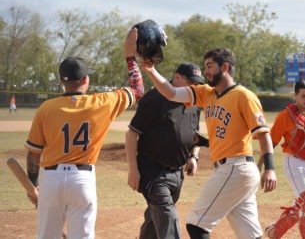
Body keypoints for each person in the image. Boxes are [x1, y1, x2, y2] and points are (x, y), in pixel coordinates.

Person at [130, 43, 277, 238]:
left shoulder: (244, 96)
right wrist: (151, 70)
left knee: (196, 225)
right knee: (250, 234)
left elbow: (263, 133)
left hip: (236, 167)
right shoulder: (207, 94)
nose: (206, 71)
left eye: (210, 66)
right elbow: (171, 93)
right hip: (237, 173)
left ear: (225, 67)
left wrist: (270, 168)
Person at [24, 28, 144, 239]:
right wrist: (130, 56)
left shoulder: (46, 108)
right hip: (82, 180)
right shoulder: (102, 102)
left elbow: (34, 154)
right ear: (85, 79)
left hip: (51, 179)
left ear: (62, 81)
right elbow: (137, 90)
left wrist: (33, 184)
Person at [126, 62, 206, 239]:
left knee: (155, 219)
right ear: (177, 77)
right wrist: (133, 169)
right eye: (191, 82)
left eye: (197, 83)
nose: (195, 86)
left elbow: (195, 134)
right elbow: (132, 134)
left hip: (177, 173)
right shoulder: (155, 98)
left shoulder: (193, 101)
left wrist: (194, 156)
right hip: (153, 171)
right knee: (168, 215)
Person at [261, 79, 305, 239]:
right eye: (303, 96)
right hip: (294, 163)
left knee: (302, 204)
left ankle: (275, 232)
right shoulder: (285, 116)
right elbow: (271, 143)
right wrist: (265, 167)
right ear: (295, 96)